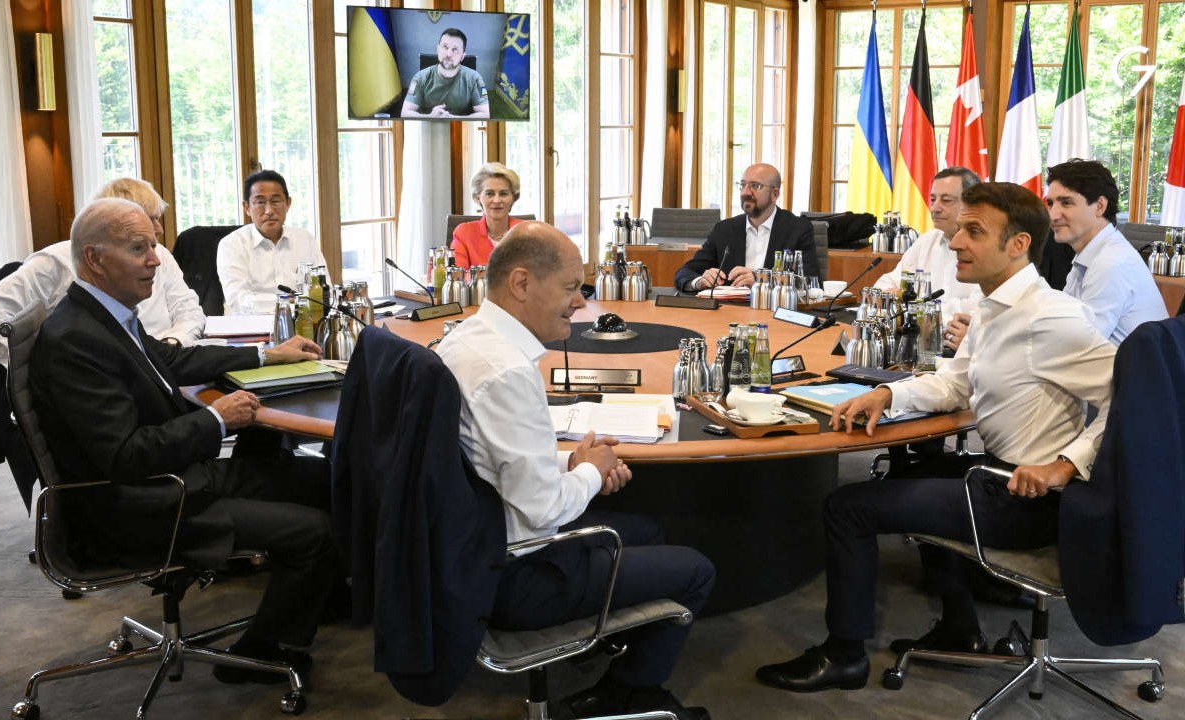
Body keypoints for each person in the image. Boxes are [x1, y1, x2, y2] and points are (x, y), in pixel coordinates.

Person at [754, 183, 1116, 693]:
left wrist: (1066, 465)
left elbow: (1136, 398)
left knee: (846, 508)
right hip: (996, 472)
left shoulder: (1051, 317)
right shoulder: (995, 304)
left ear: (1018, 244)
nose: (955, 242)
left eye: (974, 232)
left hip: (1029, 498)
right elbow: (954, 383)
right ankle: (960, 628)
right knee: (916, 470)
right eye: (960, 229)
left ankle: (844, 656)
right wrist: (887, 394)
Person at [31, 197, 337, 684]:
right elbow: (125, 455)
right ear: (94, 258)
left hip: (175, 478)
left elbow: (170, 362)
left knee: (323, 478)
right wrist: (216, 419)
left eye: (153, 246)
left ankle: (320, 597)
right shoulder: (77, 338)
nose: (155, 260)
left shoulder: (104, 314)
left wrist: (265, 355)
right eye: (139, 249)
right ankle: (262, 652)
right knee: (313, 530)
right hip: (144, 506)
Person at [437, 221, 715, 719]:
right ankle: (630, 693)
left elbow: (496, 460)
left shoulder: (469, 340)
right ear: (521, 284)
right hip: (515, 573)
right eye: (570, 288)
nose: (580, 303)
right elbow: (542, 510)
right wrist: (588, 473)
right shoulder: (507, 373)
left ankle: (595, 647)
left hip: (472, 546)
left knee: (647, 530)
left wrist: (577, 462)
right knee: (696, 571)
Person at [0, 177, 204, 366]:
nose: (159, 229)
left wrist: (174, 342)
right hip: (101, 374)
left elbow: (188, 309)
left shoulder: (160, 255)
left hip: (164, 363)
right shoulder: (56, 261)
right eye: (150, 219)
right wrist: (35, 369)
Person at [1046, 158, 1166, 344]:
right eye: (1050, 203)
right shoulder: (1092, 253)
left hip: (1127, 364)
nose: (1053, 215)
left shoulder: (1110, 263)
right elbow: (1065, 324)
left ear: (1100, 206)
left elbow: (1079, 345)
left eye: (1066, 203)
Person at [874, 167, 983, 352]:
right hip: (916, 344)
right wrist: (891, 297)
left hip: (958, 349)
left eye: (946, 200)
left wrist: (910, 311)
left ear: (972, 204)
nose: (935, 208)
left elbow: (975, 311)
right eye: (933, 199)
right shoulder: (927, 241)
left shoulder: (986, 249)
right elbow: (886, 283)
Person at [673, 163, 817, 292]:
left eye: (755, 186)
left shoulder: (797, 229)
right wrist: (700, 281)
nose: (745, 193)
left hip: (774, 309)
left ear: (775, 194)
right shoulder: (724, 229)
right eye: (742, 185)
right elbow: (685, 272)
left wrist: (761, 282)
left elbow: (810, 282)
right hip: (729, 309)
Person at [217, 169, 327, 314]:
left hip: (303, 322)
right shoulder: (231, 245)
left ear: (288, 203)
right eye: (260, 202)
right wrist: (290, 302)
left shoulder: (305, 239)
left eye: (275, 201)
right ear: (247, 207)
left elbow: (324, 292)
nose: (269, 210)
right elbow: (239, 301)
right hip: (253, 324)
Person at [400, 28, 490, 119]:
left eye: (455, 49)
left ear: (462, 56)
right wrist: (430, 117)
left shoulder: (475, 79)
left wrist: (452, 119)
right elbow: (405, 113)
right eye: (445, 47)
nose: (448, 54)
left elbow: (485, 115)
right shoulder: (420, 78)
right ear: (438, 49)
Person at [450, 162, 523, 268]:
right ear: (477, 198)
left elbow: (538, 272)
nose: (497, 200)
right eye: (489, 194)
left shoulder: (527, 232)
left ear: (514, 198)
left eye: (503, 194)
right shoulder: (464, 233)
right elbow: (459, 274)